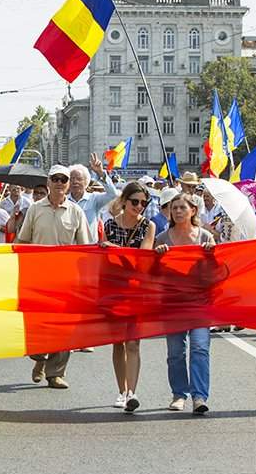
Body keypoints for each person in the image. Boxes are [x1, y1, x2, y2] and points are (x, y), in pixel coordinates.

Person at [16, 165, 91, 389]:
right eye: (55, 179)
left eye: (63, 180)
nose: (59, 183)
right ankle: (40, 358)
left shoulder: (76, 212)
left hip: (66, 279)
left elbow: (85, 247)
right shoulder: (35, 209)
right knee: (38, 325)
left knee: (64, 327)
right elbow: (23, 241)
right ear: (48, 183)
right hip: (38, 276)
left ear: (68, 184)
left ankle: (55, 373)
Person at [155, 193, 216, 415]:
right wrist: (158, 256)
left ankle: (199, 396)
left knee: (200, 347)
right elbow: (153, 274)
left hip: (199, 301)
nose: (178, 211)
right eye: (174, 208)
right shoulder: (162, 238)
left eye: (182, 207)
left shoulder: (205, 237)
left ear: (193, 211)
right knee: (175, 351)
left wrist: (211, 255)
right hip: (172, 302)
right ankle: (179, 394)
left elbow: (215, 272)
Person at [100, 182, 157, 413]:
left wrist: (114, 248)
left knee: (133, 342)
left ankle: (132, 392)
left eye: (144, 203)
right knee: (117, 343)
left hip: (136, 289)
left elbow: (142, 257)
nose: (140, 206)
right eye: (135, 201)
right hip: (114, 289)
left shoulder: (148, 225)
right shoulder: (110, 225)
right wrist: (115, 253)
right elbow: (105, 259)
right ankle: (121, 391)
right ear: (124, 201)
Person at [68, 153, 119, 241]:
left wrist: (101, 173)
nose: (75, 182)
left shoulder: (94, 199)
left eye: (79, 179)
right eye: (72, 179)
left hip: (89, 249)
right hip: (68, 249)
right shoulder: (63, 201)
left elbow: (112, 194)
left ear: (86, 182)